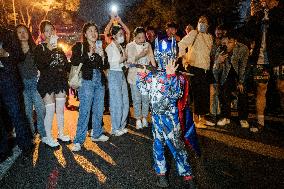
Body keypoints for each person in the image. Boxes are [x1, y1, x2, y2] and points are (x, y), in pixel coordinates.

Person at [137, 61, 194, 188]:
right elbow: (143, 90)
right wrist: (141, 76)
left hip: (171, 119)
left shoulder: (177, 76)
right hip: (156, 119)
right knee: (158, 146)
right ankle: (161, 174)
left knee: (178, 146)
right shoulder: (152, 75)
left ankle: (187, 175)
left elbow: (176, 94)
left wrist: (171, 77)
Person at [71, 23, 109, 152]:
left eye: (95, 31)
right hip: (87, 80)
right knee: (85, 110)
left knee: (98, 109)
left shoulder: (100, 46)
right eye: (90, 31)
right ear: (85, 34)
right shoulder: (79, 46)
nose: (93, 33)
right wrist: (89, 53)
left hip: (99, 80)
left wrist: (102, 55)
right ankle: (78, 140)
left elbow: (105, 66)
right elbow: (74, 61)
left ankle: (96, 134)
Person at [34, 20, 70, 147]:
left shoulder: (59, 49)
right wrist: (49, 48)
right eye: (47, 31)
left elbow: (66, 65)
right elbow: (41, 65)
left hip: (60, 81)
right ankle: (48, 137)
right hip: (47, 81)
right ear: (43, 34)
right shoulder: (39, 48)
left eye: (51, 30)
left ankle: (61, 133)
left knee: (60, 110)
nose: (50, 33)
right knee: (50, 110)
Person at [0, 26, 33, 160]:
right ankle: (2, 150)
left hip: (7, 79)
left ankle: (25, 145)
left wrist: (5, 54)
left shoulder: (8, 33)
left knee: (16, 113)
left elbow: (19, 55)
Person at [178, 15, 214, 128]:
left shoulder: (209, 36)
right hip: (194, 67)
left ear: (208, 25)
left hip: (205, 69)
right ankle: (195, 120)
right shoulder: (194, 33)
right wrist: (184, 59)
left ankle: (203, 118)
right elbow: (181, 44)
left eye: (204, 22)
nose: (202, 23)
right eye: (200, 21)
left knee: (204, 94)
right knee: (196, 94)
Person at [14, 24, 46, 141]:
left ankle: (43, 133)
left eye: (24, 31)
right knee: (27, 112)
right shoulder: (15, 51)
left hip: (34, 83)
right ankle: (31, 134)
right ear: (16, 35)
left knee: (41, 109)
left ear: (28, 33)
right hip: (23, 85)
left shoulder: (35, 49)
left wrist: (40, 71)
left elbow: (41, 64)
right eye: (19, 32)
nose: (22, 34)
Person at [213, 31, 250, 128]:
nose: (227, 45)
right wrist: (218, 62)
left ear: (235, 42)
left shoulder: (243, 49)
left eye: (230, 42)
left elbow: (243, 66)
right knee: (224, 90)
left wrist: (241, 81)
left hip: (239, 73)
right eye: (224, 43)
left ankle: (243, 118)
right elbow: (215, 72)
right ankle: (225, 116)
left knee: (242, 91)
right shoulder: (220, 50)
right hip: (226, 74)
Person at [126, 27, 156, 129]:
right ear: (135, 37)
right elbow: (129, 62)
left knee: (146, 98)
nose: (141, 39)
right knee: (136, 98)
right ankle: (138, 119)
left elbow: (151, 57)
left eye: (143, 37)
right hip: (134, 76)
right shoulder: (130, 46)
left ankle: (144, 117)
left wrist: (154, 68)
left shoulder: (147, 45)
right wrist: (140, 55)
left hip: (146, 76)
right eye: (139, 37)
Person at [105, 24, 129, 136]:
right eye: (119, 34)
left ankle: (121, 125)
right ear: (114, 36)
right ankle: (115, 128)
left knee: (125, 101)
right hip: (114, 74)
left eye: (122, 34)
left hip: (121, 74)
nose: (122, 36)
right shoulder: (109, 48)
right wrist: (121, 60)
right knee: (116, 102)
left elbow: (123, 62)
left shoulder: (121, 46)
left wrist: (126, 63)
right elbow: (110, 64)